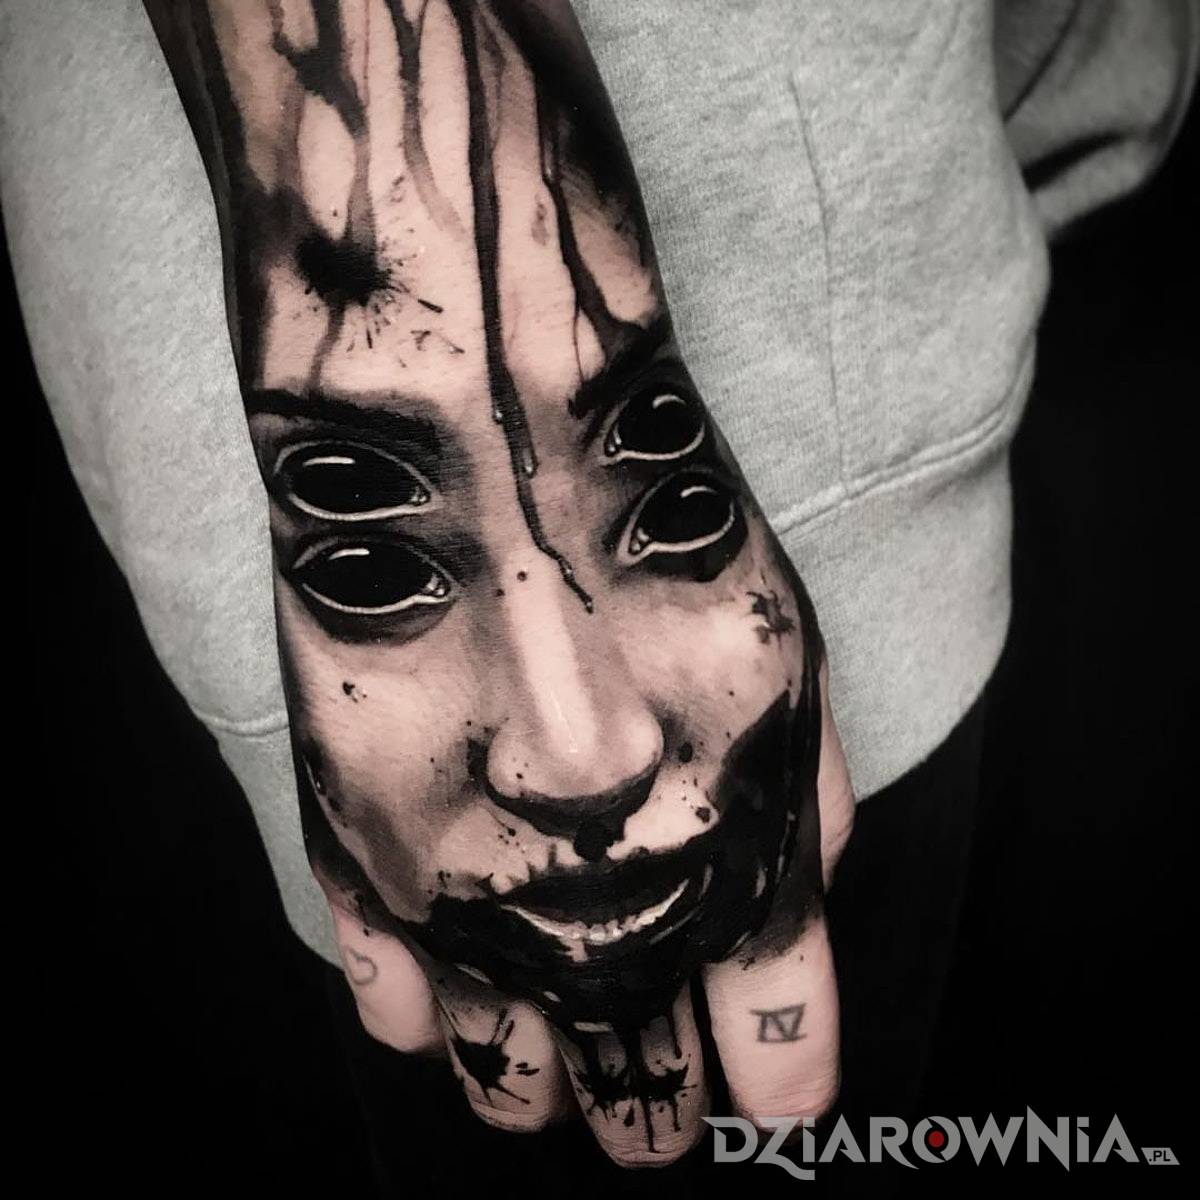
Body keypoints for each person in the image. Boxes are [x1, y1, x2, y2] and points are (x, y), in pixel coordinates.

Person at [2, 0, 1193, 1188]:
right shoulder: (565, 713)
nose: (584, 762)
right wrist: (489, 399)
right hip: (782, 378)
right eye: (375, 561)